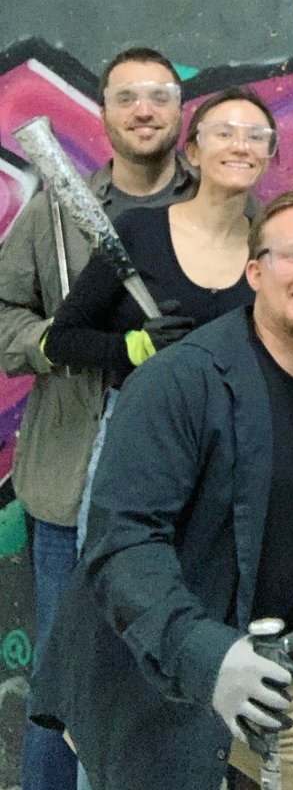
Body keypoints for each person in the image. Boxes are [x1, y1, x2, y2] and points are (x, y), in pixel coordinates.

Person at [30, 186, 293, 790]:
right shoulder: (179, 382)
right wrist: (207, 655)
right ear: (255, 272)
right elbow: (123, 544)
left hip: (288, 668)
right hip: (159, 667)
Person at [0, 46, 195, 790]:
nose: (144, 110)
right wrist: (60, 345)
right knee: (63, 669)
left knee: (165, 667)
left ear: (181, 109)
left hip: (186, 476)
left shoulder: (220, 206)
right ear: (104, 113)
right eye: (126, 97)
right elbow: (4, 316)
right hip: (70, 475)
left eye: (159, 95)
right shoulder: (57, 212)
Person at [43, 86, 274, 548]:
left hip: (234, 446)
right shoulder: (138, 231)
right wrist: (134, 346)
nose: (240, 145)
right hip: (140, 438)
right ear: (194, 151)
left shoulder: (272, 250)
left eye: (256, 135)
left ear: (268, 156)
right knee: (120, 571)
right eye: (224, 132)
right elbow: (60, 340)